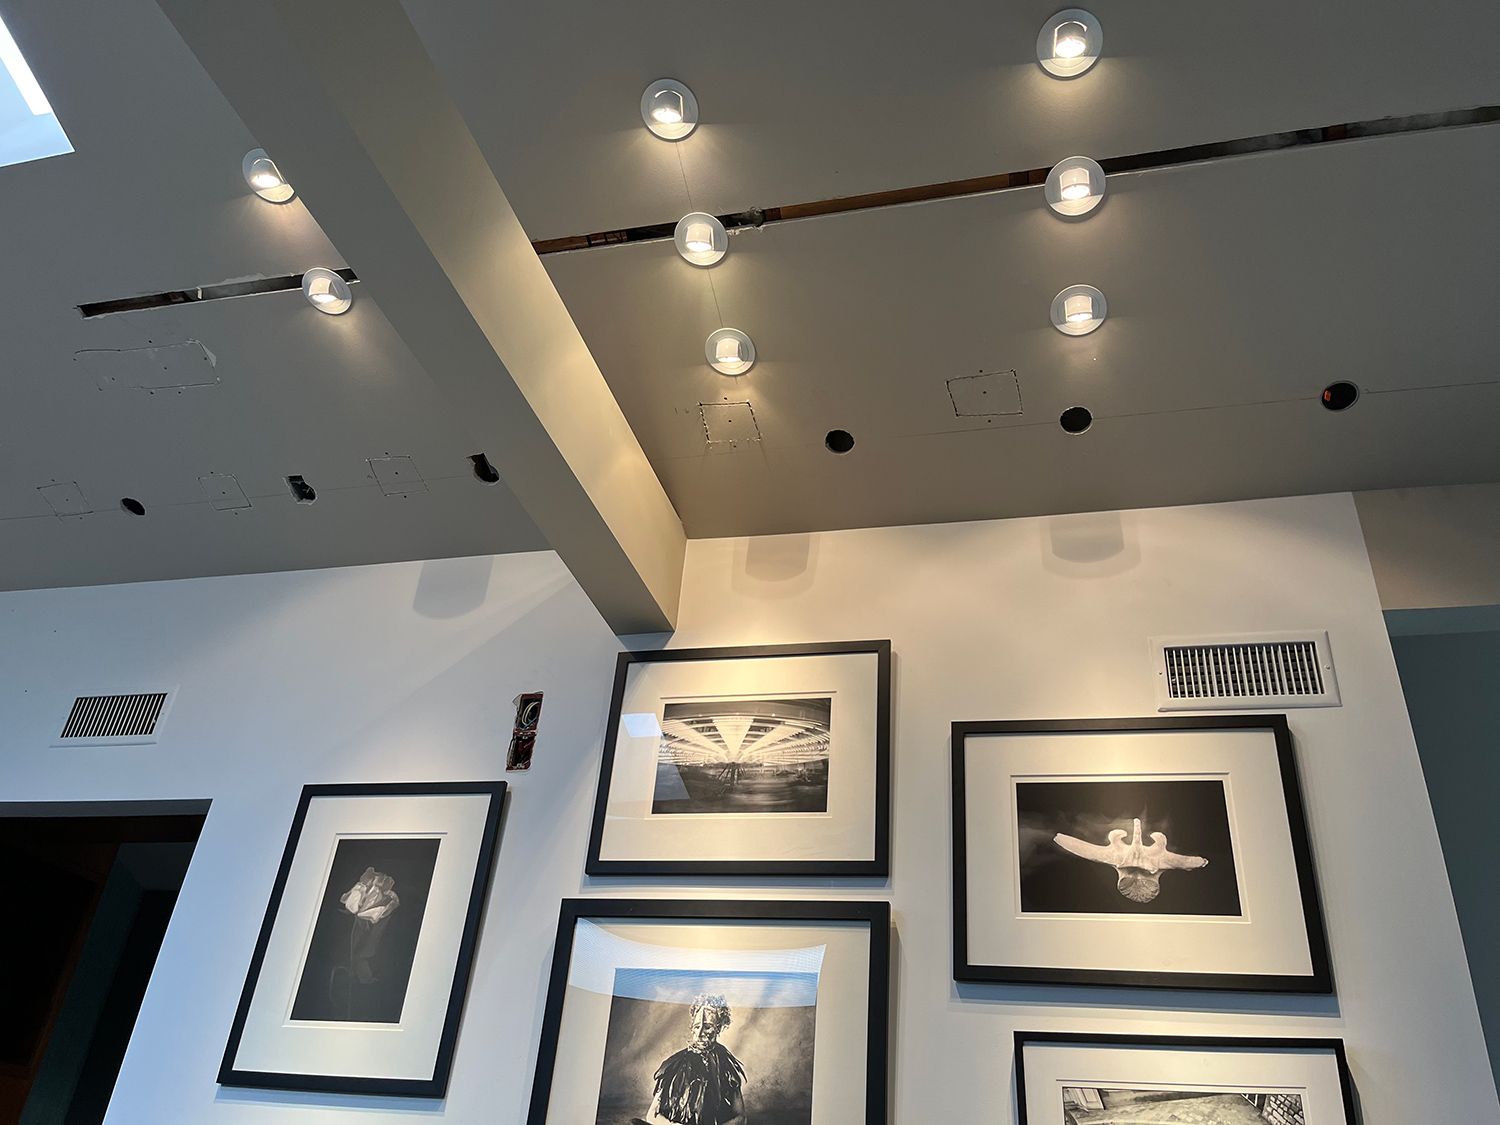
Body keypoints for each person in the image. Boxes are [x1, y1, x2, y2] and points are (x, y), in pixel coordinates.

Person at [634, 994, 747, 1125]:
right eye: (697, 1026)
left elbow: (740, 1117)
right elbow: (652, 1115)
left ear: (719, 1028)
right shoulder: (674, 1065)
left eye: (707, 1027)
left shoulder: (726, 1066)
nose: (699, 1034)